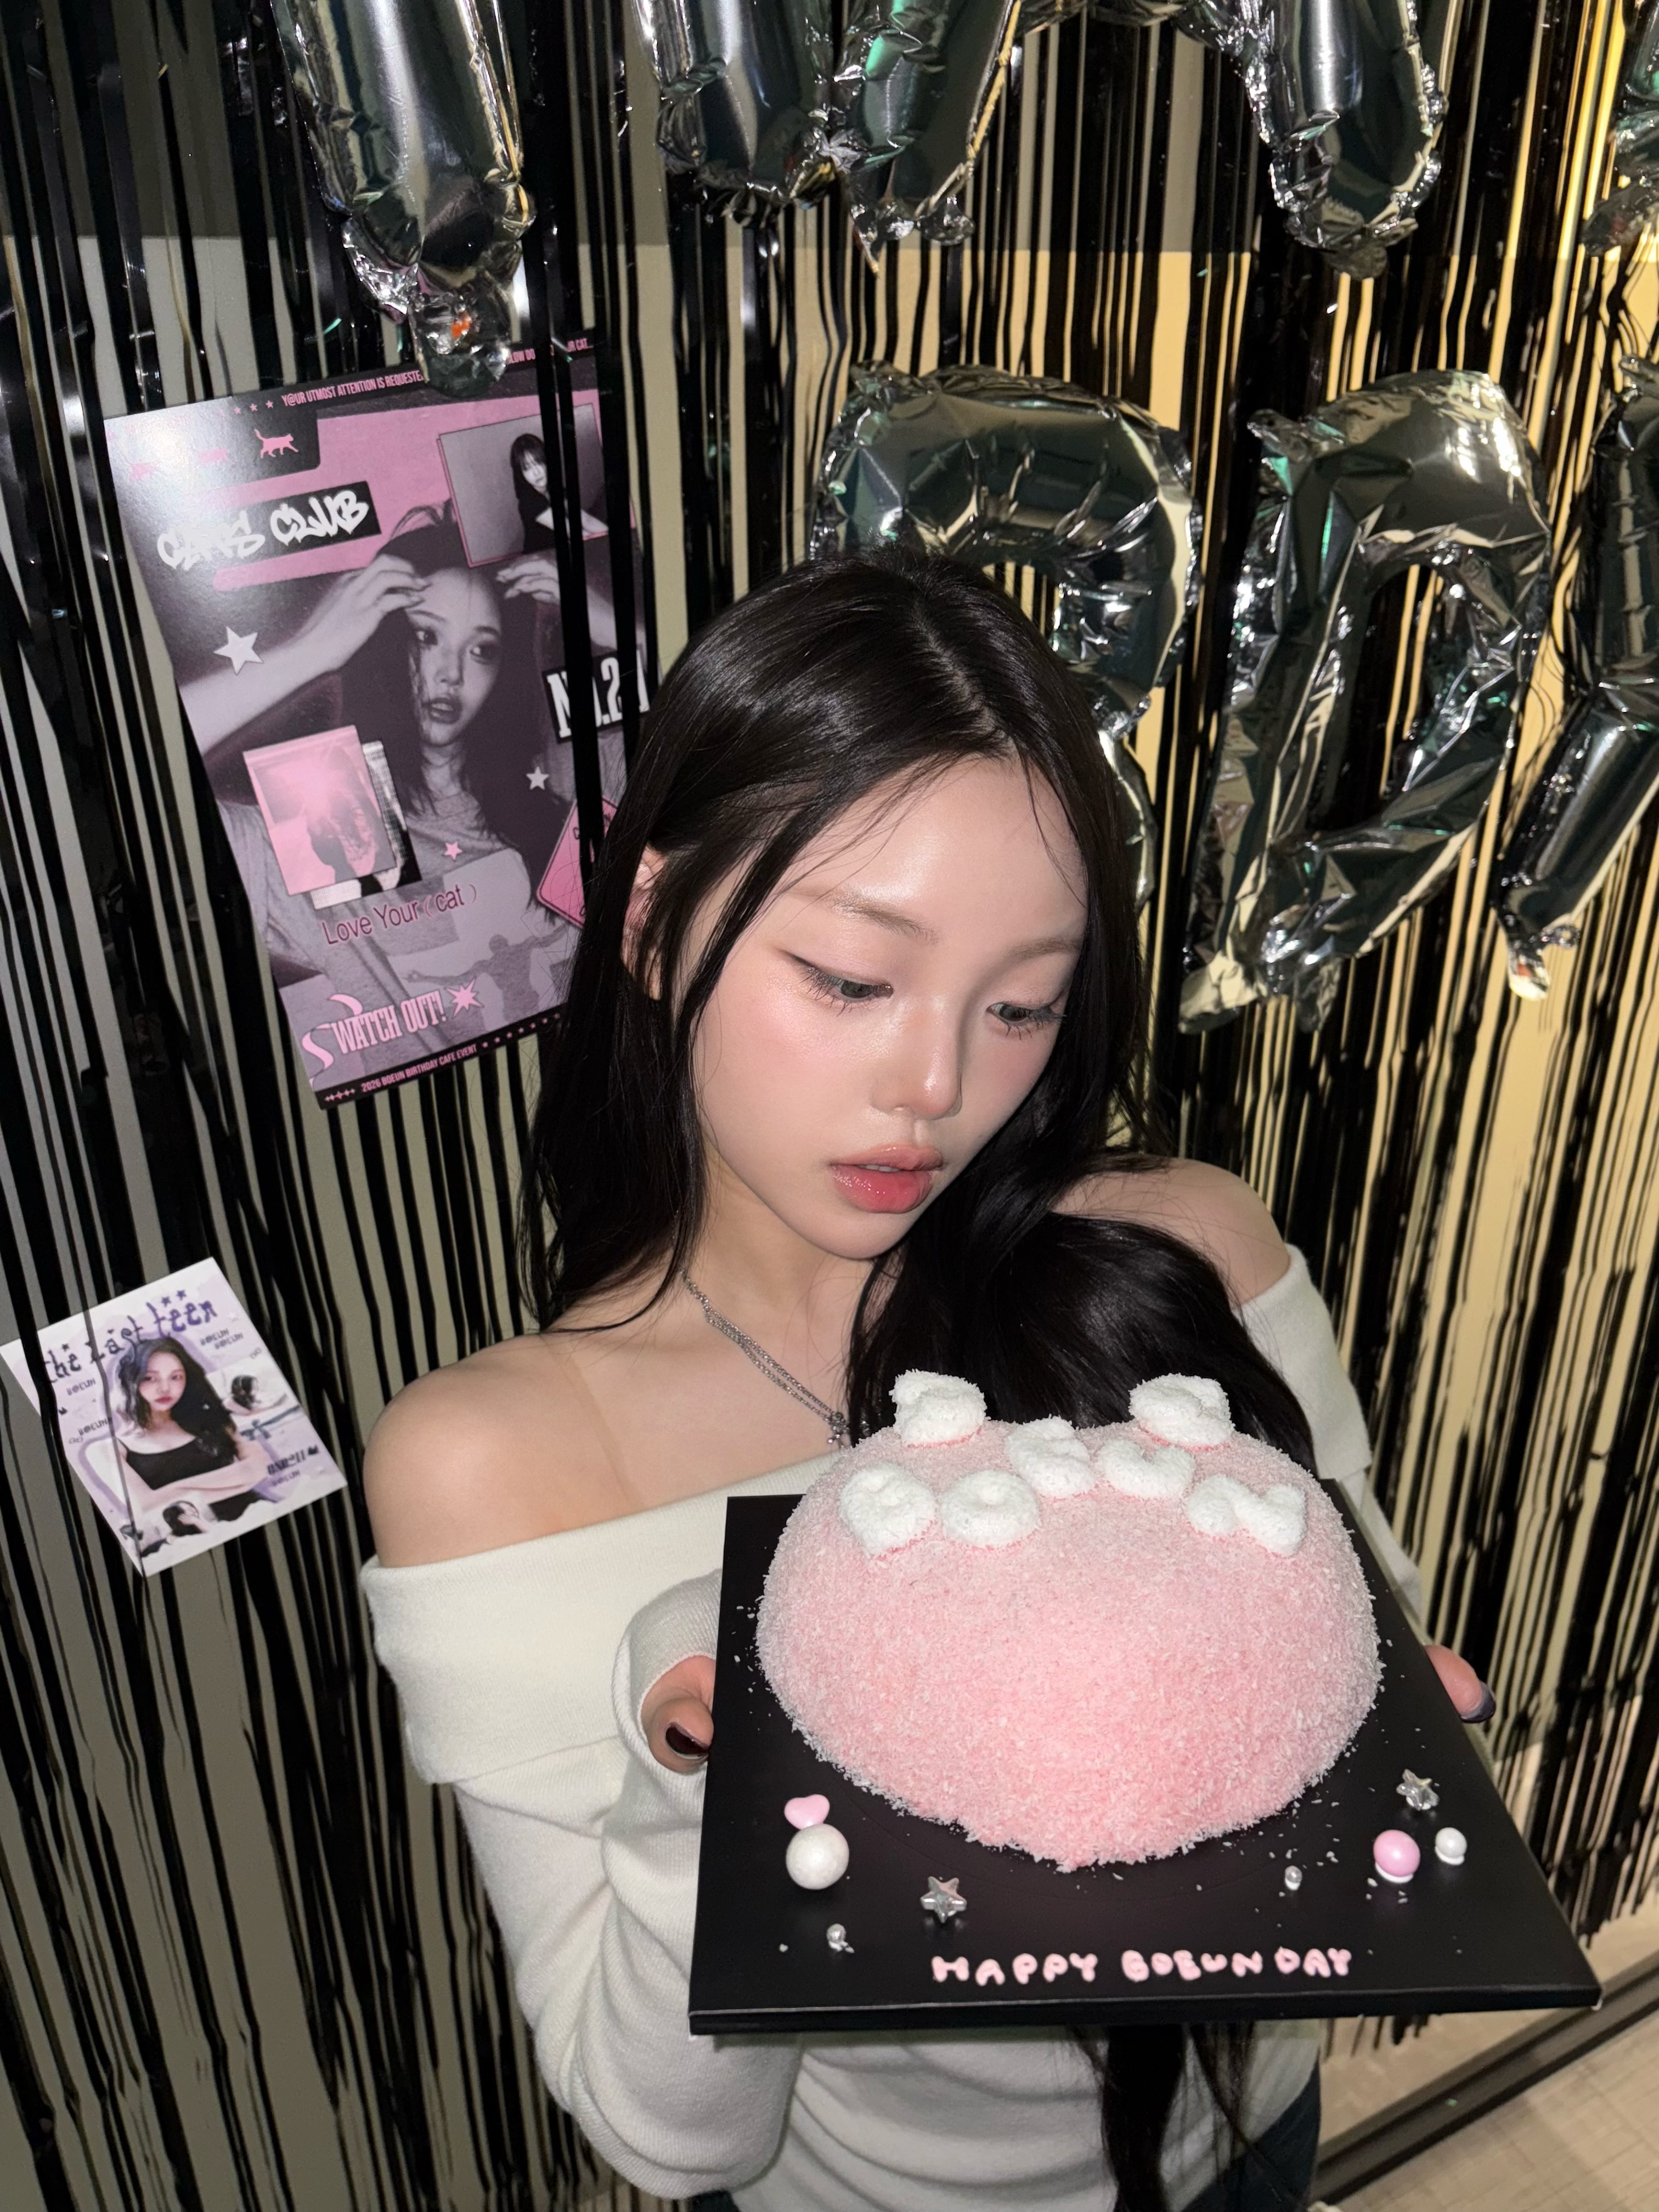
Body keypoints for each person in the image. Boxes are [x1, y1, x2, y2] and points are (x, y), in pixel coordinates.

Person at [360, 554, 1491, 2212]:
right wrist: (710, 1778)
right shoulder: (501, 1463)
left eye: (1021, 1003)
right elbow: (676, 2138)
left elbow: (1369, 1723)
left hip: (1252, 2140)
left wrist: (1376, 1728)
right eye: (850, 980)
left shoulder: (1181, 1255)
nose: (938, 1085)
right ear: (657, 925)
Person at [178, 513, 618, 1049]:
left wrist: (611, 624)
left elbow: (702, 748)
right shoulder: (330, 823)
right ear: (381, 642)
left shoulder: (563, 772)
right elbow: (152, 771)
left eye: (482, 649)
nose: (452, 673)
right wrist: (309, 652)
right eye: (426, 636)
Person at [114, 1336, 270, 1539]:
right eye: (150, 1378)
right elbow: (147, 1506)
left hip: (258, 1516)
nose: (165, 1388)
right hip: (191, 1543)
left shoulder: (209, 1417)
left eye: (176, 1377)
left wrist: (173, 1494)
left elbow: (257, 1468)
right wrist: (240, 1480)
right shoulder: (114, 1448)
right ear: (130, 1382)